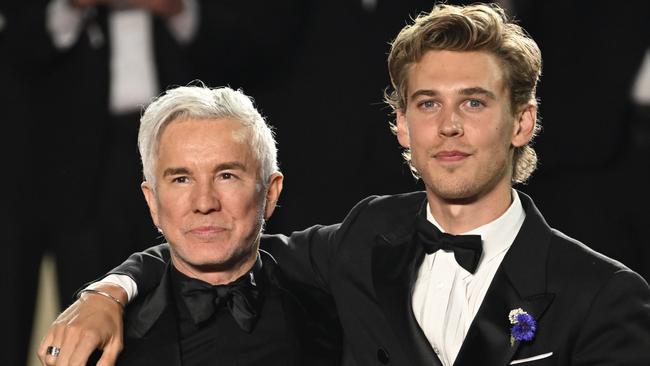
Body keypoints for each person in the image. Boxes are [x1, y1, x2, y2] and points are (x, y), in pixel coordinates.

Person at [40, 3, 650, 366]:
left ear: (523, 121)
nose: (449, 127)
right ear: (401, 127)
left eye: (474, 102)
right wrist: (108, 292)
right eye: (428, 104)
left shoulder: (603, 294)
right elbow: (218, 232)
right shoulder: (363, 237)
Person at [38, 85, 339, 366]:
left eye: (226, 176)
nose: (204, 202)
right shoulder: (108, 341)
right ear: (152, 202)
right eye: (181, 179)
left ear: (270, 193)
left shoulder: (331, 302)